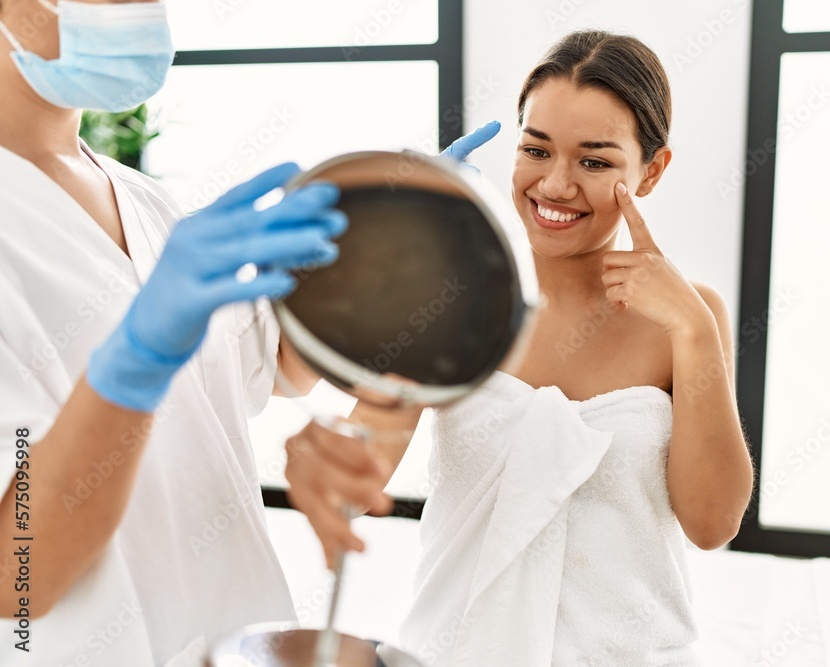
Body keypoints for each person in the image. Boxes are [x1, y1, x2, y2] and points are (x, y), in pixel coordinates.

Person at [0, 1, 494, 664]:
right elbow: (18, 575)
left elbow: (278, 358)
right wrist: (134, 364)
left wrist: (399, 233)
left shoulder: (144, 202)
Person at [289, 30, 754, 666]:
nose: (556, 186)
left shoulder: (689, 319)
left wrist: (695, 333)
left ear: (651, 169)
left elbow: (712, 524)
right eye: (536, 150)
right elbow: (356, 475)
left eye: (594, 162)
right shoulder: (454, 299)